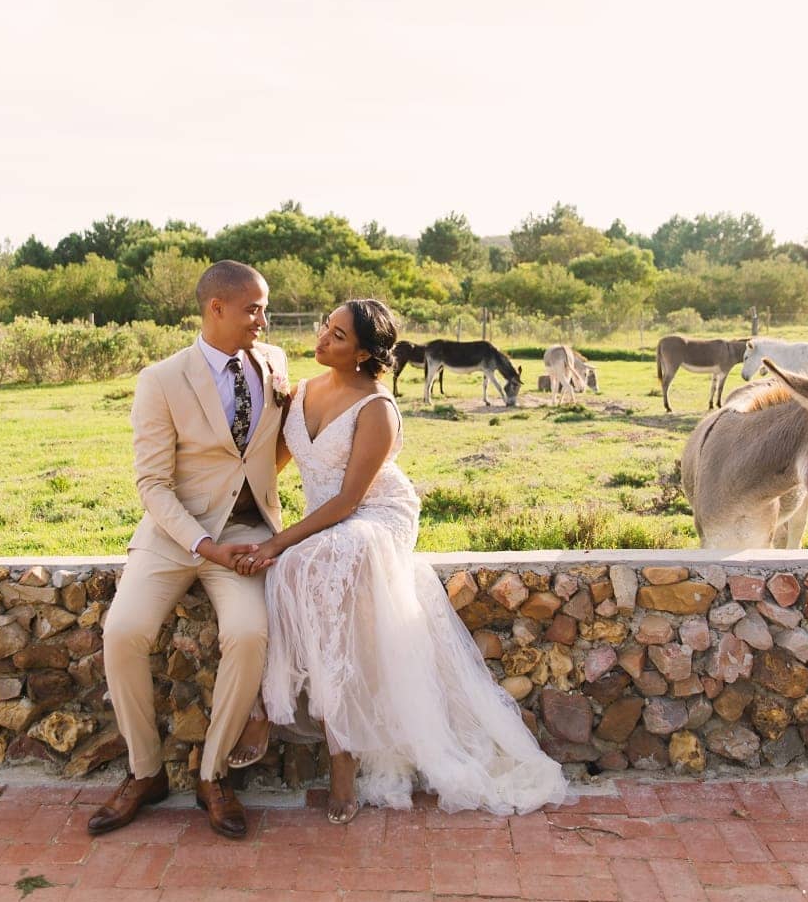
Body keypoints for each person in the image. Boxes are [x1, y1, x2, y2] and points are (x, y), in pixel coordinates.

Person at [230, 299, 570, 823]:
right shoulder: (300, 392)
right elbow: (270, 466)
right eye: (326, 326)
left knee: (298, 564)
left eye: (337, 336)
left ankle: (340, 754)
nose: (322, 338)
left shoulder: (377, 408)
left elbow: (348, 502)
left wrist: (278, 544)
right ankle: (266, 709)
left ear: (364, 354)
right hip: (325, 522)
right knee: (293, 574)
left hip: (374, 515)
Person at [89, 260, 287, 840]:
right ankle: (145, 772)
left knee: (249, 635)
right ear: (215, 309)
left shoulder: (275, 363)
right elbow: (151, 483)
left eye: (264, 306)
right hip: (174, 536)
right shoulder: (161, 379)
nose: (263, 318)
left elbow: (269, 449)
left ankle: (212, 773)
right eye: (253, 307)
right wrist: (201, 543)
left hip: (246, 535)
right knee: (122, 631)